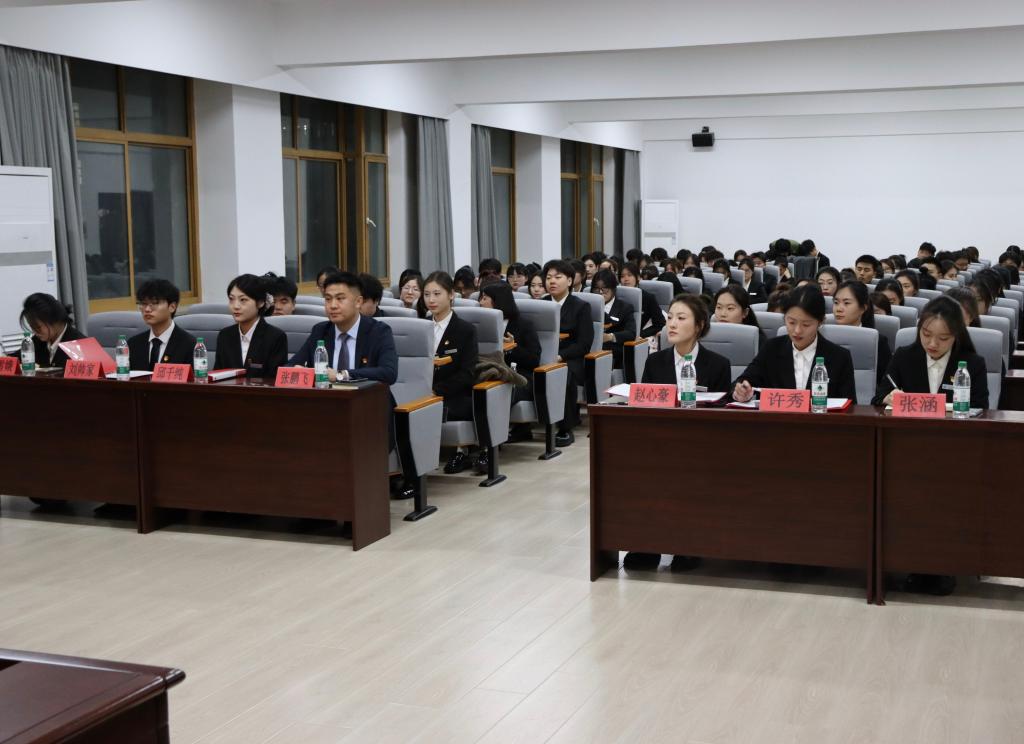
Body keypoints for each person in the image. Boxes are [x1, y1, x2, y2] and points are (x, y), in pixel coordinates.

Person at [623, 294, 732, 572]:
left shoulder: (718, 364)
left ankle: (688, 544)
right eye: (670, 317)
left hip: (702, 447)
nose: (671, 324)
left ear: (699, 326)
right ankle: (647, 544)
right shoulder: (655, 362)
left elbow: (722, 419)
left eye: (681, 318)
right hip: (660, 443)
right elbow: (644, 409)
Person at [733, 285, 857, 403]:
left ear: (820, 322)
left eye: (806, 325)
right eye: (791, 322)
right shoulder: (771, 349)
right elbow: (743, 381)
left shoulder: (839, 357)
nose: (797, 331)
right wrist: (741, 391)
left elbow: (849, 407)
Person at [287, 271, 398, 382]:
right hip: (327, 393)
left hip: (368, 393)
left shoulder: (379, 331)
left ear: (358, 302)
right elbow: (290, 366)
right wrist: (303, 372)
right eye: (328, 299)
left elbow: (388, 373)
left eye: (340, 298)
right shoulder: (320, 331)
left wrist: (341, 375)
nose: (333, 306)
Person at [422, 271, 480, 473]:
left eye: (437, 294)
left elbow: (467, 373)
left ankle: (461, 452)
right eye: (427, 294)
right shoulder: (420, 326)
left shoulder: (465, 330)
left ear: (451, 295)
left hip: (452, 394)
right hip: (422, 392)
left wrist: (436, 391)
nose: (431, 300)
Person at [480, 282, 540, 443]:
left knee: (498, 392)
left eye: (485, 298)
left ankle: (492, 442)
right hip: (490, 373)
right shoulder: (481, 324)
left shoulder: (524, 324)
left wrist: (513, 348)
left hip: (519, 376)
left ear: (498, 301)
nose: (480, 302)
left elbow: (534, 359)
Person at [544, 259, 593, 446]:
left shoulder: (580, 307)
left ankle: (566, 428)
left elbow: (584, 344)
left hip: (570, 357)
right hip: (543, 356)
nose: (552, 281)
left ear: (570, 281)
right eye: (548, 277)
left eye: (558, 277)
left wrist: (560, 356)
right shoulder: (540, 305)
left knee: (565, 376)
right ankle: (521, 427)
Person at [214, 274, 288, 379]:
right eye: (231, 299)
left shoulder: (276, 337)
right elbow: (217, 375)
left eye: (243, 300)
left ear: (260, 302)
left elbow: (274, 380)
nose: (235, 306)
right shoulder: (224, 335)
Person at [128, 279, 197, 371]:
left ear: (172, 307)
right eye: (143, 304)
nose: (147, 309)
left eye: (154, 303)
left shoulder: (189, 344)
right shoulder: (133, 344)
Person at [832, 280, 892, 384]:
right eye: (836, 303)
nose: (839, 309)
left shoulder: (878, 342)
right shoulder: (824, 337)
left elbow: (885, 384)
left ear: (863, 308)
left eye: (846, 303)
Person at [19, 293, 84, 371]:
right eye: (32, 327)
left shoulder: (80, 346)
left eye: (38, 327)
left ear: (55, 320)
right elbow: (15, 358)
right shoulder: (37, 341)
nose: (35, 332)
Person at [591, 269, 636, 369]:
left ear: (613, 289)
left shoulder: (625, 307)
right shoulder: (588, 306)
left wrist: (610, 336)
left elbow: (631, 333)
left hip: (613, 351)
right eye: (596, 289)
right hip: (589, 348)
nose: (600, 292)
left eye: (604, 289)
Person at [619, 261, 664, 338]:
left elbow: (660, 324)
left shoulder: (648, 298)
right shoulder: (617, 296)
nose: (626, 279)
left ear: (638, 277)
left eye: (629, 275)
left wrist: (641, 335)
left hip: (638, 338)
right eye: (622, 276)